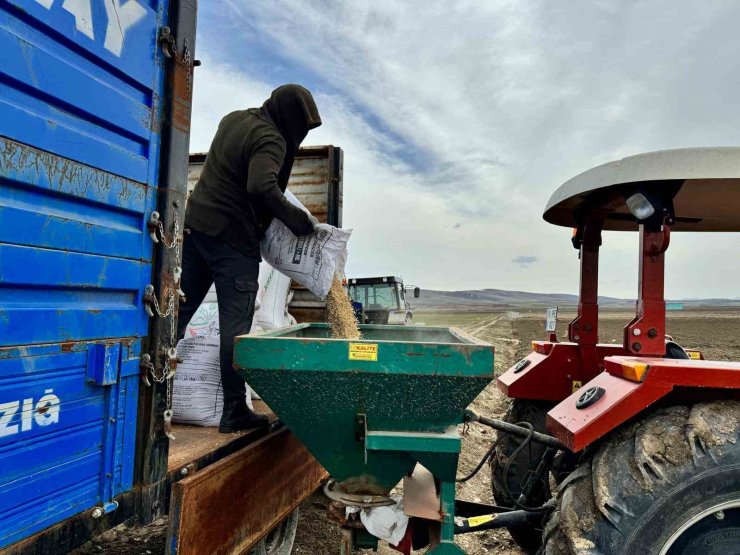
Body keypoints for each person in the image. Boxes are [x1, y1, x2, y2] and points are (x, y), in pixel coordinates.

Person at [177, 84, 321, 433]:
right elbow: (260, 186)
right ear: (290, 118)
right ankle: (233, 411)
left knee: (176, 314)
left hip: (196, 230)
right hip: (231, 242)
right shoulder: (272, 139)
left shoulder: (234, 120)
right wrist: (297, 220)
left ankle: (149, 398)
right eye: (302, 127)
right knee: (236, 328)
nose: (299, 136)